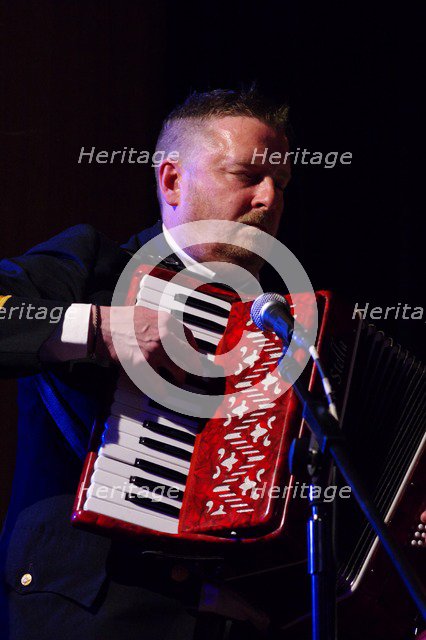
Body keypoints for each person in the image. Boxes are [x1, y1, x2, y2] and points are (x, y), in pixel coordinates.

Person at [0, 88, 291, 640]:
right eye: (247, 174)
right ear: (173, 181)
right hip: (87, 612)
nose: (269, 196)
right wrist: (98, 328)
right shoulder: (95, 266)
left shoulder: (283, 325)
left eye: (282, 184)